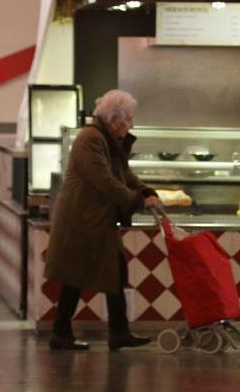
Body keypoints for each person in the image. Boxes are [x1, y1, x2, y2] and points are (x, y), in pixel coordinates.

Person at [44, 89, 164, 351]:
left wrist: (146, 190)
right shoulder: (91, 139)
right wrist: (139, 200)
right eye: (128, 119)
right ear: (113, 118)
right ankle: (63, 333)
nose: (131, 125)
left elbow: (124, 175)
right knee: (78, 275)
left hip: (95, 217)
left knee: (111, 272)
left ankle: (113, 332)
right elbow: (106, 181)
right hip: (82, 218)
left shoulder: (106, 139)